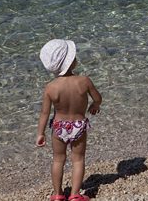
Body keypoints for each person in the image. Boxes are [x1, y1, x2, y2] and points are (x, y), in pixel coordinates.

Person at [36, 39, 102, 201]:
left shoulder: (51, 87)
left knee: (58, 159)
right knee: (78, 159)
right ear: (70, 62)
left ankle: (58, 194)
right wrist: (94, 105)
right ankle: (74, 195)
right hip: (78, 125)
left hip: (59, 127)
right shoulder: (84, 81)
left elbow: (45, 113)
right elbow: (98, 98)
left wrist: (40, 133)